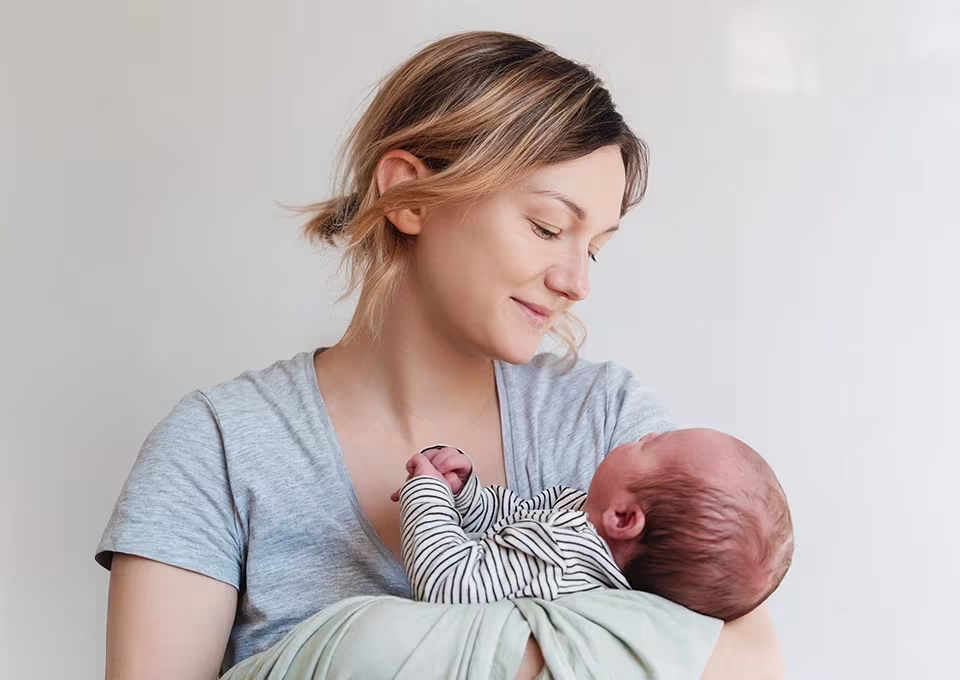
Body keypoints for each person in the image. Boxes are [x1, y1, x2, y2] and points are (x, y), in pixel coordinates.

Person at [97, 30, 785, 679]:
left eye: (594, 247)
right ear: (406, 195)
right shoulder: (219, 447)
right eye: (548, 227)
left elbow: (749, 666)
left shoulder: (603, 418)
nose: (577, 281)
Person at [394, 430, 793, 621]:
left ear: (623, 518)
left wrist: (426, 493)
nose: (648, 432)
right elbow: (506, 524)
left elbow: (448, 582)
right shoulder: (576, 516)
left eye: (653, 444)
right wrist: (465, 494)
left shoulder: (561, 558)